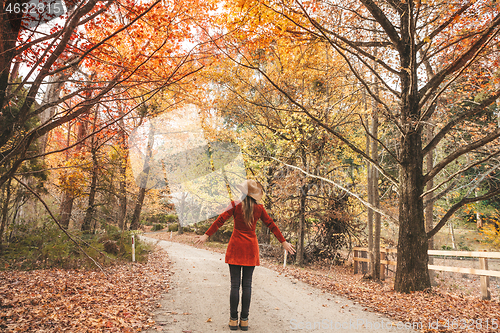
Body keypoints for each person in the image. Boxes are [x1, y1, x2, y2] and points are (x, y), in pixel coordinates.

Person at [194, 179, 295, 331]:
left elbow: (220, 220)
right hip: (250, 249)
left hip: (235, 247)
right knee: (247, 285)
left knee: (235, 285)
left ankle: (233, 320)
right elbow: (272, 225)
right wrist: (283, 242)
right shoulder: (259, 208)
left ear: (243, 192)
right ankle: (245, 321)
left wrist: (206, 235)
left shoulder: (235, 205)